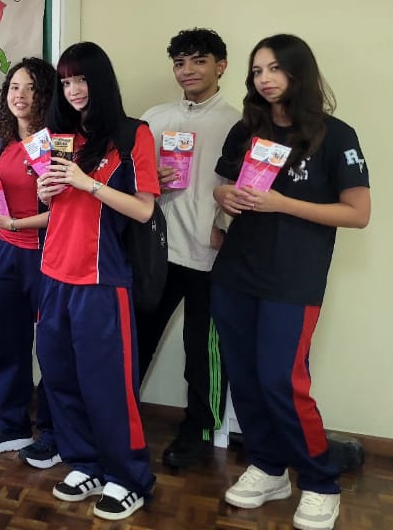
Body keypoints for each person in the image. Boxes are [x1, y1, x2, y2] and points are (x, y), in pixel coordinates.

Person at [211, 34, 369, 530]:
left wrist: (283, 204)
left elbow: (358, 213)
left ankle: (320, 482)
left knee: (282, 380)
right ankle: (268, 467)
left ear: (299, 72)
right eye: (258, 70)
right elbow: (223, 186)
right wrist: (223, 196)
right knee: (245, 377)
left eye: (276, 68)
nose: (265, 79)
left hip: (293, 280)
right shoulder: (246, 130)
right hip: (236, 273)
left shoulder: (335, 135)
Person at [35, 41, 159, 521]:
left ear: (100, 80)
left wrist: (87, 183)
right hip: (54, 272)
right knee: (60, 376)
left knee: (108, 384)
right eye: (66, 82)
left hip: (103, 277)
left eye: (81, 79)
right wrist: (48, 190)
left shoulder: (132, 135)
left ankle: (128, 476)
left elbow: (144, 209)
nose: (73, 89)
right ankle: (84, 462)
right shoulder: (59, 136)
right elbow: (56, 206)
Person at [136, 28, 241, 469]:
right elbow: (130, 179)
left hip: (209, 255)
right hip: (157, 251)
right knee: (136, 338)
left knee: (203, 352)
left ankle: (198, 430)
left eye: (199, 60)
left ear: (221, 66)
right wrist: (148, 182)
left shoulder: (239, 123)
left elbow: (245, 185)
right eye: (180, 62)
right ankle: (119, 415)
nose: (187, 70)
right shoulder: (153, 118)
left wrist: (225, 225)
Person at [0, 57, 60, 468]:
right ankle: (12, 423)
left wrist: (20, 223)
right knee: (7, 341)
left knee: (53, 346)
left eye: (32, 88)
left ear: (47, 95)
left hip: (46, 252)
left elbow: (68, 211)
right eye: (15, 87)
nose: (21, 96)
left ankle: (54, 432)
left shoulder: (58, 143)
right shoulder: (0, 140)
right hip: (5, 251)